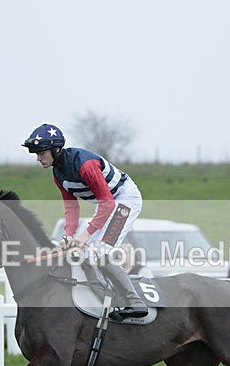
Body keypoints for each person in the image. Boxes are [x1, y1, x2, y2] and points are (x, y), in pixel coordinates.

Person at [22, 123, 148, 320]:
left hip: (125, 199)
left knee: (101, 252)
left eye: (41, 153)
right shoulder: (58, 174)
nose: (38, 158)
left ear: (56, 149)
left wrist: (85, 235)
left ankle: (135, 302)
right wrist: (69, 236)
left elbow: (107, 203)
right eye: (36, 154)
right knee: (88, 253)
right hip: (107, 202)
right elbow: (71, 207)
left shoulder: (85, 165)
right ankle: (107, 297)